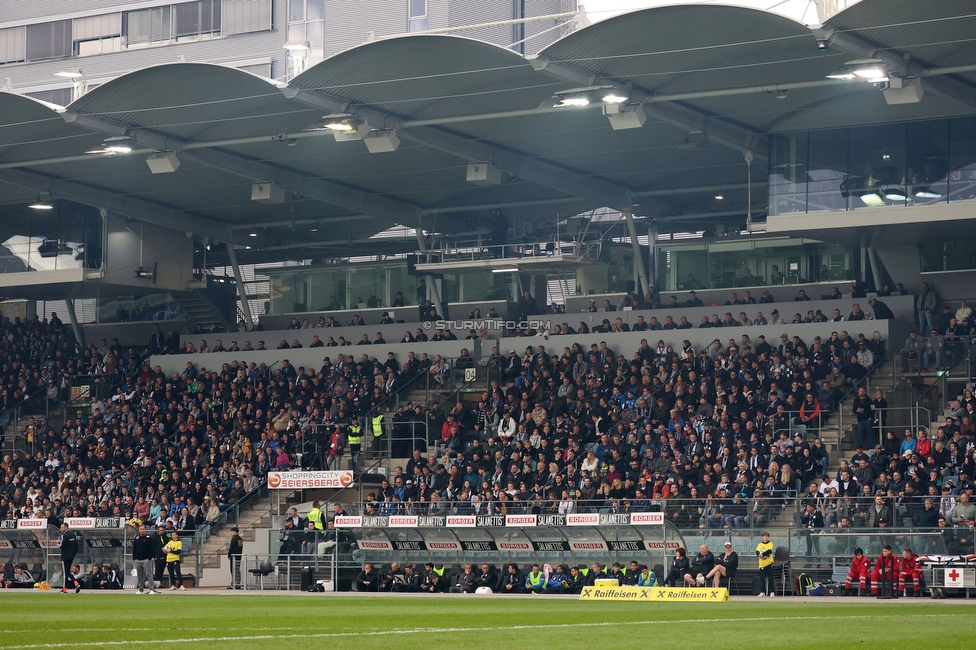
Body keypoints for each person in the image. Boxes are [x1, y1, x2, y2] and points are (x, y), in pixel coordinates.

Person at [132, 524, 158, 595]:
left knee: (148, 575)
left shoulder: (149, 538)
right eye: (140, 529)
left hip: (146, 559)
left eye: (143, 529)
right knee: (139, 576)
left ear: (145, 530)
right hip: (138, 559)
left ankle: (152, 589)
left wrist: (151, 557)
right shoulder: (137, 538)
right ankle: (140, 589)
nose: (142, 530)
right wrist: (134, 557)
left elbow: (152, 548)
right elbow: (134, 549)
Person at [58, 522, 81, 594]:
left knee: (65, 573)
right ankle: (76, 584)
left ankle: (64, 589)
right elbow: (76, 546)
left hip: (65, 557)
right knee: (68, 572)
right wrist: (73, 554)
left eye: (62, 527)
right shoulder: (73, 534)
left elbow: (62, 546)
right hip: (71, 556)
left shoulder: (64, 535)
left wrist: (58, 543)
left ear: (66, 527)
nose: (61, 529)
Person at [756, 531, 775, 597]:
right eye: (765, 536)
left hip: (769, 563)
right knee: (762, 578)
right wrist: (759, 555)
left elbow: (769, 551)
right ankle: (762, 591)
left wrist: (763, 554)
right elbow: (757, 551)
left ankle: (772, 591)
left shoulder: (770, 543)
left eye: (767, 536)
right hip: (762, 564)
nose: (766, 537)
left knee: (771, 578)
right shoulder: (760, 544)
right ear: (762, 537)